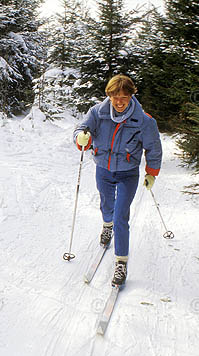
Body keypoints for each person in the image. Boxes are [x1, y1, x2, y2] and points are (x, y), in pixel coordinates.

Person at [73, 74, 162, 286]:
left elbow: (153, 147)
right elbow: (80, 130)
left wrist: (151, 172)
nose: (120, 102)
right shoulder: (97, 113)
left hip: (128, 173)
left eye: (124, 97)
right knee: (106, 205)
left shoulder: (144, 121)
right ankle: (106, 225)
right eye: (115, 97)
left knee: (121, 216)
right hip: (103, 169)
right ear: (109, 96)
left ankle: (121, 263)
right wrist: (81, 138)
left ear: (131, 96)